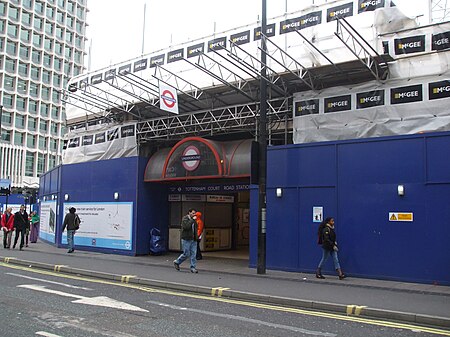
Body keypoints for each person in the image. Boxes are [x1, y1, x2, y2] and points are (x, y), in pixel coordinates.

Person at [173, 208, 199, 273]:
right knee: (186, 253)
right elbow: (186, 227)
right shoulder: (185, 219)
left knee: (193, 254)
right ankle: (177, 262)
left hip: (194, 239)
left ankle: (193, 267)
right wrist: (192, 220)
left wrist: (197, 237)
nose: (194, 214)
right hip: (186, 239)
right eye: (193, 213)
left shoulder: (194, 220)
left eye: (194, 213)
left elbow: (196, 228)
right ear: (189, 213)